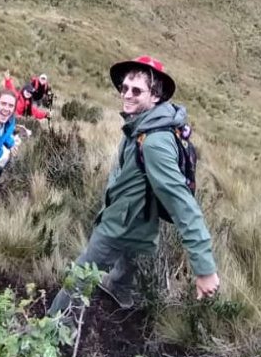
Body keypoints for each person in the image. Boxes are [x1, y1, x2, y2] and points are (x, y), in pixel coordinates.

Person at [48, 56, 219, 315]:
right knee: (130, 254)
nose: (126, 94)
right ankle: (119, 287)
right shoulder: (144, 125)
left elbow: (183, 205)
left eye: (136, 90)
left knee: (79, 278)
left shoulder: (154, 142)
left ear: (155, 96)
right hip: (136, 218)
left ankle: (54, 328)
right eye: (124, 88)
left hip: (117, 225)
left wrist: (204, 269)